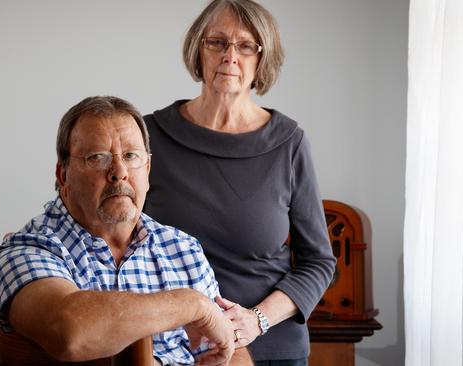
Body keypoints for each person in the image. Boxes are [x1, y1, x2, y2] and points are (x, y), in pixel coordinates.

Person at [0, 96, 252, 366]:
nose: (119, 172)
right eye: (97, 158)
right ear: (63, 174)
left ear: (147, 169)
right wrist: (194, 305)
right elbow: (71, 333)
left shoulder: (183, 249)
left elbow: (232, 351)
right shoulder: (25, 251)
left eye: (131, 156)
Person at [143, 1, 337, 365]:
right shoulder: (149, 135)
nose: (230, 56)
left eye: (246, 46)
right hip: (170, 349)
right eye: (217, 42)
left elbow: (318, 262)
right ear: (198, 50)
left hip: (269, 346)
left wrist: (256, 320)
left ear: (262, 59)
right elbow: (113, 235)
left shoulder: (289, 143)